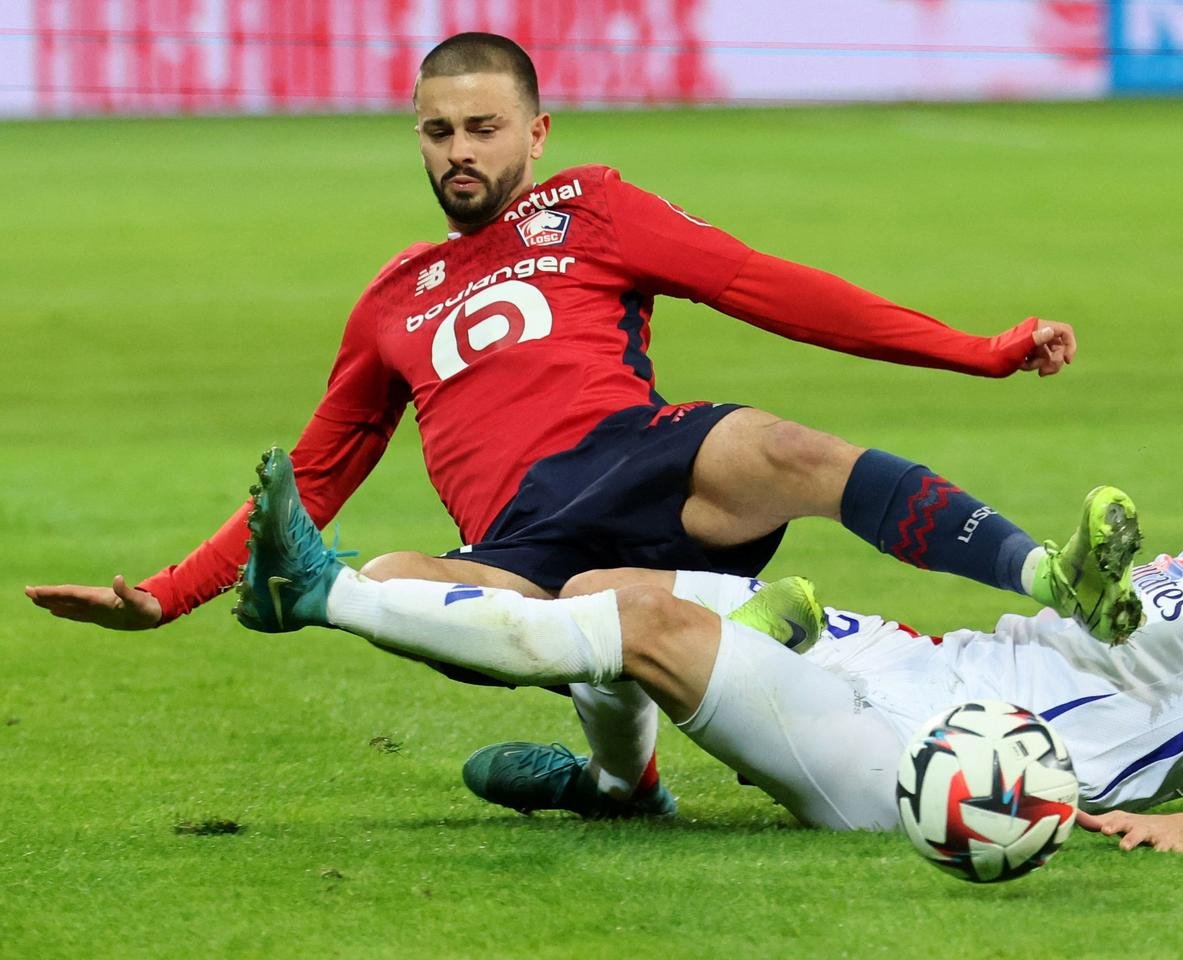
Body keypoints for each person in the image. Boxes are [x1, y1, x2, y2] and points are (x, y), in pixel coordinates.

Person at [27, 32, 1107, 811]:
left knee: (779, 446)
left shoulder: (585, 207)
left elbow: (761, 283)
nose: (460, 150)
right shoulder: (391, 298)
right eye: (438, 131)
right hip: (524, 541)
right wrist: (166, 600)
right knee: (394, 586)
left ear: (536, 133)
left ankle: (1045, 574)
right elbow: (305, 486)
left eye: (484, 128)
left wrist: (979, 350)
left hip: (642, 459)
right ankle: (622, 775)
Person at [233, 368, 1183, 848]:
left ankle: (320, 592)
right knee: (597, 590)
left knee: (646, 634)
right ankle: (617, 784)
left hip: (940, 769)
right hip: (915, 668)